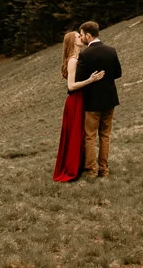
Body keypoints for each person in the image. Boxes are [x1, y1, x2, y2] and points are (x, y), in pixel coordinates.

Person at [52, 29, 104, 182]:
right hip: (75, 100)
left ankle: (78, 165)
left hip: (79, 99)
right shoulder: (73, 60)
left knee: (79, 134)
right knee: (75, 134)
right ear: (72, 42)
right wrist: (91, 80)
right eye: (77, 36)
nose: (81, 37)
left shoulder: (77, 57)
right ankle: (71, 168)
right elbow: (71, 86)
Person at [73, 21, 122, 178]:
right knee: (105, 135)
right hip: (110, 99)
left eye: (82, 35)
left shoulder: (85, 54)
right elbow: (118, 73)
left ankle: (91, 170)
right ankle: (104, 169)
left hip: (93, 101)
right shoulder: (111, 50)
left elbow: (79, 79)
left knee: (90, 136)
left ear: (88, 35)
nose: (81, 37)